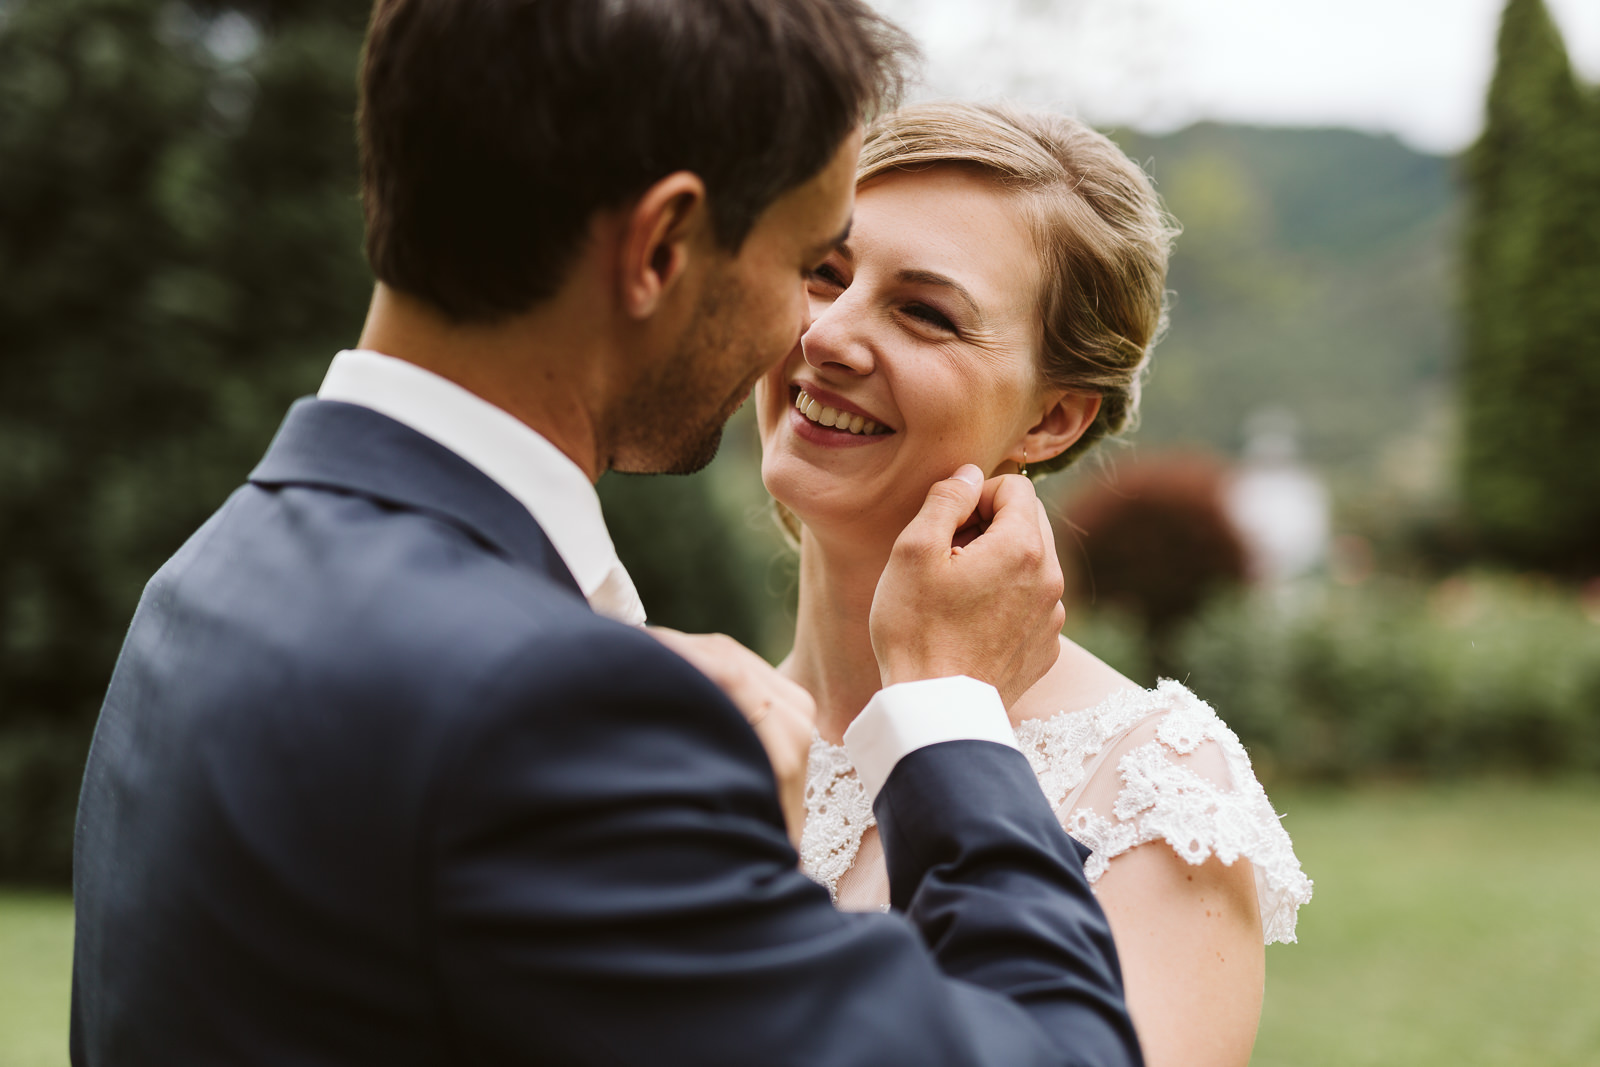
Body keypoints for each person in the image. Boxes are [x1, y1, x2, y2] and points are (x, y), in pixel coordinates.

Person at [70, 4, 1147, 1065]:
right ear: (661, 245)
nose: (808, 334)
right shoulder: (546, 710)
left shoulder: (206, 578)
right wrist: (954, 713)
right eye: (806, 265)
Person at [754, 101, 1314, 1067]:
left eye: (923, 312)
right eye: (825, 273)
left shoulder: (1149, 789)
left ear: (1053, 418)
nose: (829, 336)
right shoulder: (702, 720)